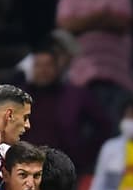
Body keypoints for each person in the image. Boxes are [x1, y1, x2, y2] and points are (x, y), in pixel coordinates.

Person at [56, 0, 133, 117]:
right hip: (81, 77)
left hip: (117, 75)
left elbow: (122, 22)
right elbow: (66, 26)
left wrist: (83, 21)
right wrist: (102, 15)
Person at [23, 44, 106, 175]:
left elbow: (103, 125)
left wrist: (85, 155)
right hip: (28, 169)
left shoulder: (76, 95)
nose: (43, 70)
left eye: (48, 65)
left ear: (57, 68)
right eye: (38, 65)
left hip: (66, 171)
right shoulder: (20, 97)